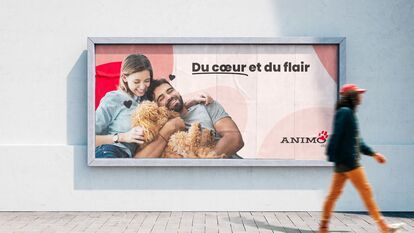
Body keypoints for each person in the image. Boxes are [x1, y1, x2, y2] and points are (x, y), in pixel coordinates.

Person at [319, 84, 404, 233]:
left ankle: (323, 227)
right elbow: (336, 135)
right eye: (358, 93)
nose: (361, 96)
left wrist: (373, 154)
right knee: (366, 191)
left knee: (333, 195)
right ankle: (383, 227)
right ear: (351, 96)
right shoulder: (345, 112)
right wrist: (332, 155)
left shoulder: (348, 113)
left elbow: (357, 141)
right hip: (350, 162)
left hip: (344, 162)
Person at [95, 54, 211, 158]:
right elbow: (89, 138)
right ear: (124, 78)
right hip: (110, 151)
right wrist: (122, 137)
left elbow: (165, 106)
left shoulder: (145, 98)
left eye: (146, 80)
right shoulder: (113, 99)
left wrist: (191, 100)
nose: (142, 87)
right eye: (136, 82)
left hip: (130, 158)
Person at [135, 78, 244, 158]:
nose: (169, 97)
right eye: (161, 98)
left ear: (177, 91)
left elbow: (235, 139)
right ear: (156, 107)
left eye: (170, 91)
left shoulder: (206, 105)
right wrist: (168, 129)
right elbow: (138, 162)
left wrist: (199, 163)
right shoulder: (159, 128)